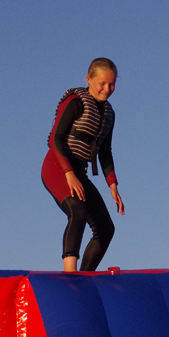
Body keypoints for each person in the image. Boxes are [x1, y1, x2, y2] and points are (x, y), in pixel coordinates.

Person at [41, 58, 125, 272]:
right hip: (57, 168)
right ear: (88, 79)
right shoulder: (76, 101)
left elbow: (105, 151)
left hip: (79, 172)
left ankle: (85, 276)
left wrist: (112, 185)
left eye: (112, 84)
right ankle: (70, 273)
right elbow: (55, 138)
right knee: (77, 210)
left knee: (106, 228)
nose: (107, 89)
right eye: (102, 83)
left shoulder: (109, 113)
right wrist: (68, 173)